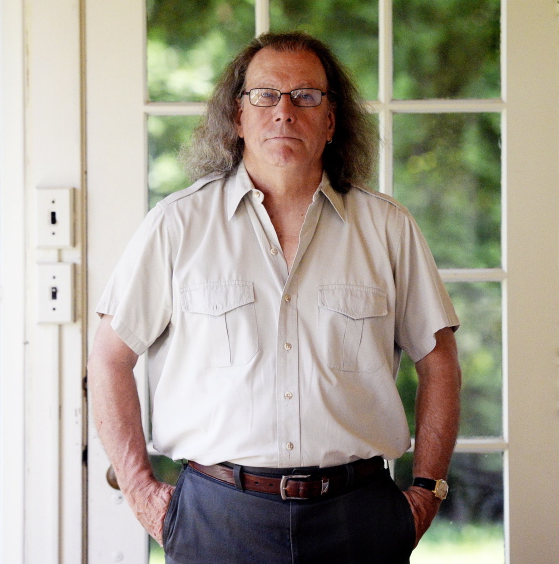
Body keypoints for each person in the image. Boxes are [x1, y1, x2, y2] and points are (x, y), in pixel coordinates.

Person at [87, 31, 461, 564]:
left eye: (307, 96)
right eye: (264, 95)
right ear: (237, 117)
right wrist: (141, 491)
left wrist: (427, 490)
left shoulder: (387, 227)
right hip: (217, 520)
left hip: (360, 520)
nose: (284, 111)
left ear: (331, 121)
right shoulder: (177, 225)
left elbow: (439, 359)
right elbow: (109, 358)